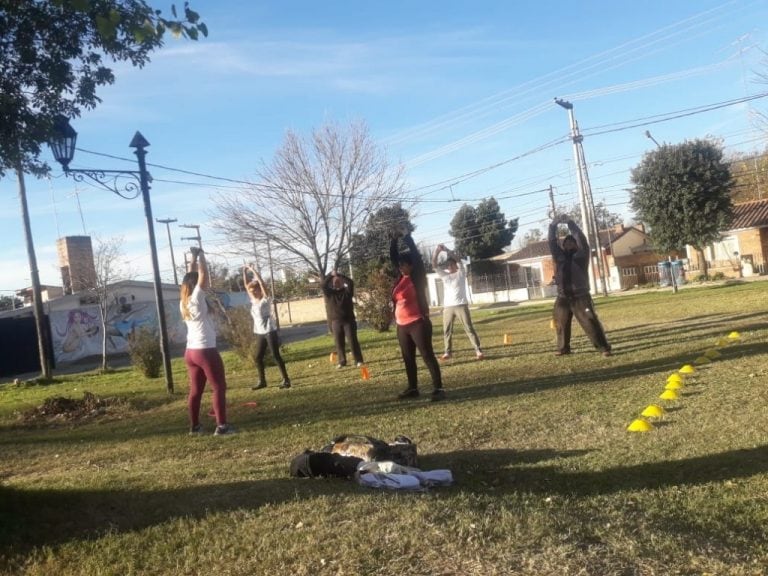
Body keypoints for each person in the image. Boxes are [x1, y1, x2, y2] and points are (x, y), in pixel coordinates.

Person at [180, 247, 235, 436]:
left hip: (191, 352)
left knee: (195, 391)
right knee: (219, 387)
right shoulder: (196, 297)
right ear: (195, 285)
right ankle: (222, 427)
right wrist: (202, 255)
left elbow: (192, 274)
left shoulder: (184, 301)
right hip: (205, 351)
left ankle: (194, 427)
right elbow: (202, 275)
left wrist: (193, 258)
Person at [390, 227, 445, 401]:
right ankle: (413, 388)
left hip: (418, 323)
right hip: (402, 325)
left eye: (403, 265)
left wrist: (407, 237)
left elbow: (416, 257)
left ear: (411, 266)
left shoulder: (417, 277)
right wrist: (393, 240)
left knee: (427, 355)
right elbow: (393, 259)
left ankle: (439, 389)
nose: (400, 268)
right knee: (408, 358)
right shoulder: (400, 279)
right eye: (399, 266)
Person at [548, 215, 612, 357]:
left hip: (581, 297)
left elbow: (581, 238)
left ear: (576, 245)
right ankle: (563, 348)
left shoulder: (581, 256)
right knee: (560, 324)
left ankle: (604, 348)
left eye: (572, 242)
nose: (569, 244)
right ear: (563, 246)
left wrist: (570, 223)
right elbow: (552, 243)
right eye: (566, 243)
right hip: (563, 297)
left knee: (590, 322)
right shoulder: (559, 257)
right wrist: (553, 226)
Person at [432, 244, 484, 361]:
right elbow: (434, 265)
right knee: (447, 330)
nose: (449, 266)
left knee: (468, 328)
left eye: (451, 264)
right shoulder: (445, 276)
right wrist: (436, 252)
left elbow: (459, 259)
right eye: (448, 265)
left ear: (455, 265)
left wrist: (447, 250)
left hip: (461, 305)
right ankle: (447, 352)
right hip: (448, 307)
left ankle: (478, 350)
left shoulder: (461, 273)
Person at [243, 264, 291, 390]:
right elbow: (246, 287)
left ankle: (286, 380)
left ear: (259, 290)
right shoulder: (253, 301)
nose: (252, 293)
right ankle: (262, 381)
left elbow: (262, 284)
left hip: (270, 331)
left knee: (276, 355)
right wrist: (244, 271)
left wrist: (253, 271)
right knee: (258, 357)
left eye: (254, 291)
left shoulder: (265, 300)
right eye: (251, 292)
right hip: (259, 332)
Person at [322, 270, 364, 369]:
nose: (337, 283)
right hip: (336, 322)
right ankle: (342, 361)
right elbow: (323, 286)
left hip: (348, 321)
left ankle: (358, 360)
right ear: (332, 284)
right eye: (335, 282)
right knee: (339, 343)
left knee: (353, 341)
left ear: (342, 282)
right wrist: (330, 275)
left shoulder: (347, 292)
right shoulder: (330, 294)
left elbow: (350, 282)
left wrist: (339, 275)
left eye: (338, 281)